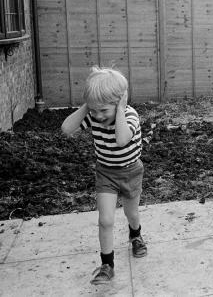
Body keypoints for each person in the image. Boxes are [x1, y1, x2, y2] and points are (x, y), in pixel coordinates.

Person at [61, 66, 146, 285]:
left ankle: (135, 235)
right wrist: (88, 105)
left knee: (132, 213)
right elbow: (66, 128)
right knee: (105, 220)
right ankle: (107, 265)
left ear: (119, 103)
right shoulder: (94, 116)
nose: (98, 116)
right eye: (94, 110)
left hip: (131, 172)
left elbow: (121, 139)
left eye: (103, 110)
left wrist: (119, 110)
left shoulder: (130, 115)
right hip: (106, 173)